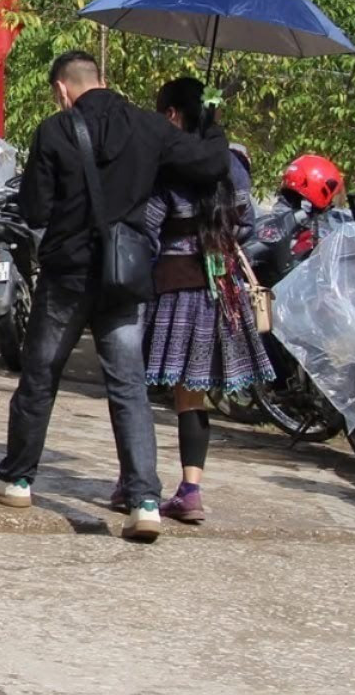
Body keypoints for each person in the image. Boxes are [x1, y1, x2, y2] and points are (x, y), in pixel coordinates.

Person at [0, 51, 228, 545]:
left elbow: (35, 208)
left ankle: (18, 479)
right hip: (126, 276)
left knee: (42, 374)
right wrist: (212, 120)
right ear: (103, 80)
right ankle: (145, 502)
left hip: (68, 275)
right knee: (128, 387)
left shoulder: (54, 130)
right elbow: (211, 164)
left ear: (61, 89)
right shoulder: (149, 128)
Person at [136, 77, 271, 524]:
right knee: (192, 397)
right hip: (221, 293)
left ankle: (135, 483)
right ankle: (191, 490)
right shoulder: (235, 166)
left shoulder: (170, 164)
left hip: (173, 291)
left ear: (173, 114)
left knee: (136, 388)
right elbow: (247, 225)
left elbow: (149, 227)